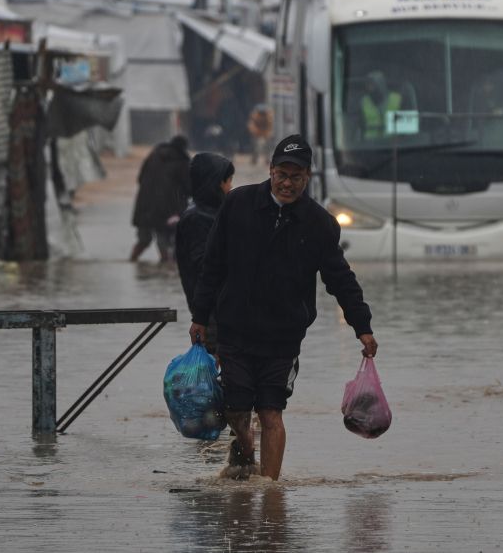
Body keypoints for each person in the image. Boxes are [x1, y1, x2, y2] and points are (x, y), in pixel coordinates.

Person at [189, 135, 377, 480]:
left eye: (297, 177)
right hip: (236, 330)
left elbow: (340, 279)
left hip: (283, 338)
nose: (288, 183)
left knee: (272, 412)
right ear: (270, 170)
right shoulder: (238, 205)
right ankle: (244, 451)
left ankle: (269, 491)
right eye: (282, 174)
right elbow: (212, 265)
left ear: (307, 179)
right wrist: (200, 317)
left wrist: (361, 326)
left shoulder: (320, 224)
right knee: (237, 411)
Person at [174, 153, 235, 354]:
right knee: (220, 370)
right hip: (212, 314)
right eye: (227, 181)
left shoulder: (216, 213)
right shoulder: (197, 219)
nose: (230, 187)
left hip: (224, 312)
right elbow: (203, 266)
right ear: (214, 183)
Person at [130, 135, 192, 262]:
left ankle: (132, 261)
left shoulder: (153, 156)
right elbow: (189, 188)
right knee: (164, 242)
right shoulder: (182, 162)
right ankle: (165, 273)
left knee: (143, 240)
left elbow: (140, 178)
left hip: (144, 205)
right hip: (166, 209)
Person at [359, 71, 402, 139]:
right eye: (367, 85)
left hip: (394, 144)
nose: (368, 88)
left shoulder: (397, 99)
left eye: (371, 85)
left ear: (380, 84)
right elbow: (359, 127)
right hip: (369, 145)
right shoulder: (363, 102)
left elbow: (407, 126)